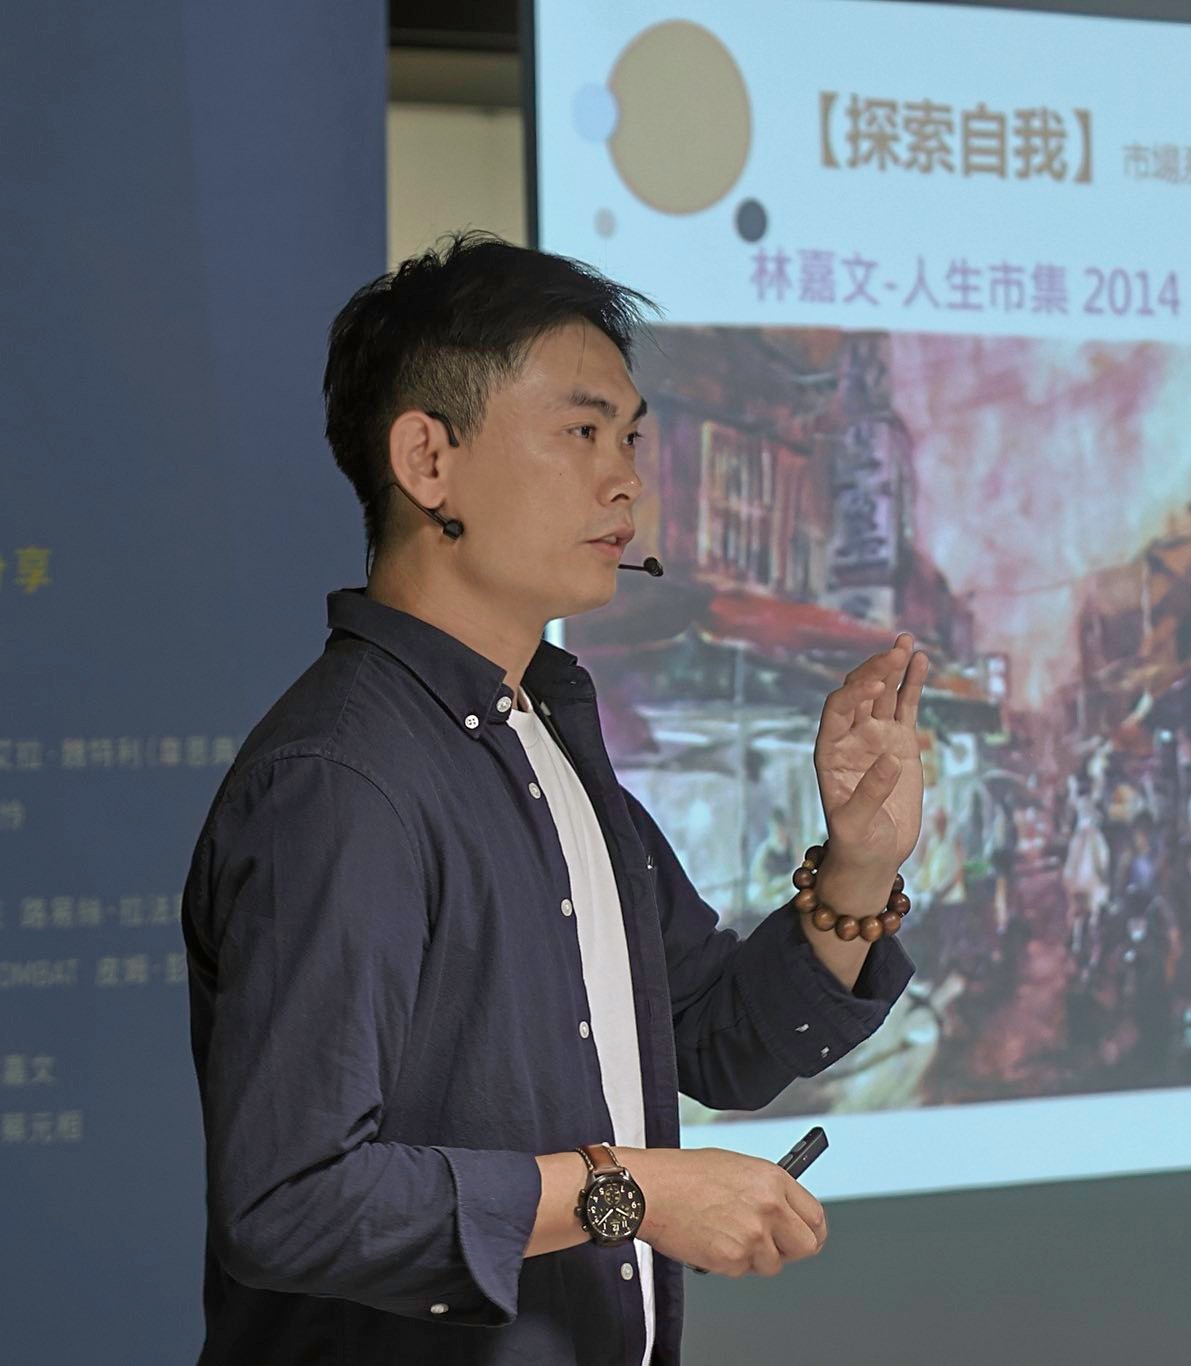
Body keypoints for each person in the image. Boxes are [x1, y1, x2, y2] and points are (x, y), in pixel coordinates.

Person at [179, 232, 930, 1365]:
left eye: (629, 437)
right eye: (582, 432)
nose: (625, 480)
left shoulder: (544, 733)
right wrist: (631, 1192)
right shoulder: (340, 780)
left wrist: (860, 861)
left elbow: (713, 1038)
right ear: (428, 462)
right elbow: (294, 1201)